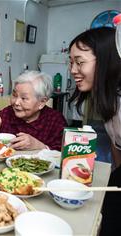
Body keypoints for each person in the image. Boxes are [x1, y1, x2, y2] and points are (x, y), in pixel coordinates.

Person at [66, 27, 121, 235]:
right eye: (71, 62)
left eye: (80, 62)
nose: (73, 70)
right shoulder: (110, 99)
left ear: (107, 59)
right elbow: (117, 145)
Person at [0, 70, 67, 151]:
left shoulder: (55, 120)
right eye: (14, 95)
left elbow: (66, 154)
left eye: (24, 98)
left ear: (42, 102)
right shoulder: (7, 113)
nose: (16, 102)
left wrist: (40, 146)